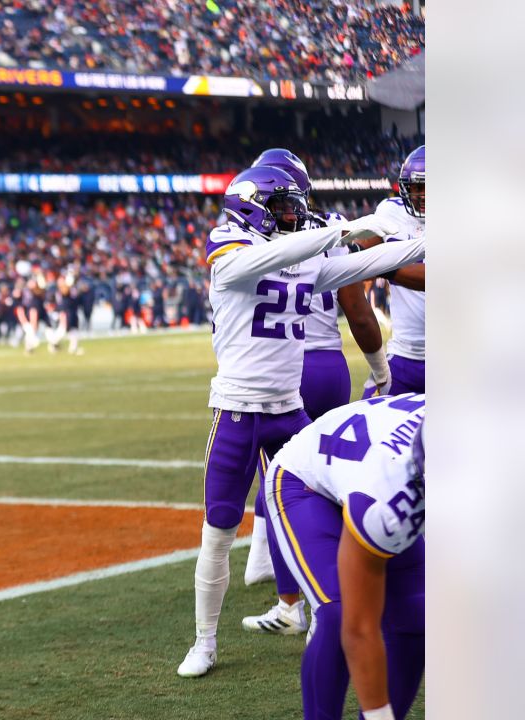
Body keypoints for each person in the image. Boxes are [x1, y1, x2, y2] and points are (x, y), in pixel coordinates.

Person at [177, 165, 425, 678]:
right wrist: (334, 232)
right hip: (238, 412)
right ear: (254, 207)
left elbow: (374, 262)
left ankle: (313, 616)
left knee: (317, 519)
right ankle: (204, 642)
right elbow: (259, 261)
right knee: (219, 529)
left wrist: (432, 245)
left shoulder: (302, 258)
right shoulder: (229, 248)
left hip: (291, 412)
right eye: (285, 207)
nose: (295, 215)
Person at [241, 149, 391, 622]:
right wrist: (380, 369)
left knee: (282, 486)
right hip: (329, 367)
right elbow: (359, 313)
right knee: (332, 476)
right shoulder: (331, 229)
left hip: (284, 367)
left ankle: (294, 603)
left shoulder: (255, 233)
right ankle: (356, 570)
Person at [264, 395, 425, 720]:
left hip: (362, 464)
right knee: (339, 612)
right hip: (304, 481)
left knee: (415, 617)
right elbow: (359, 628)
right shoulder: (389, 505)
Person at [364, 145, 426, 396]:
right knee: (369, 423)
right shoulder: (391, 211)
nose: (421, 195)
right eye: (416, 187)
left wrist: (386, 267)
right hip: (402, 353)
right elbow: (365, 255)